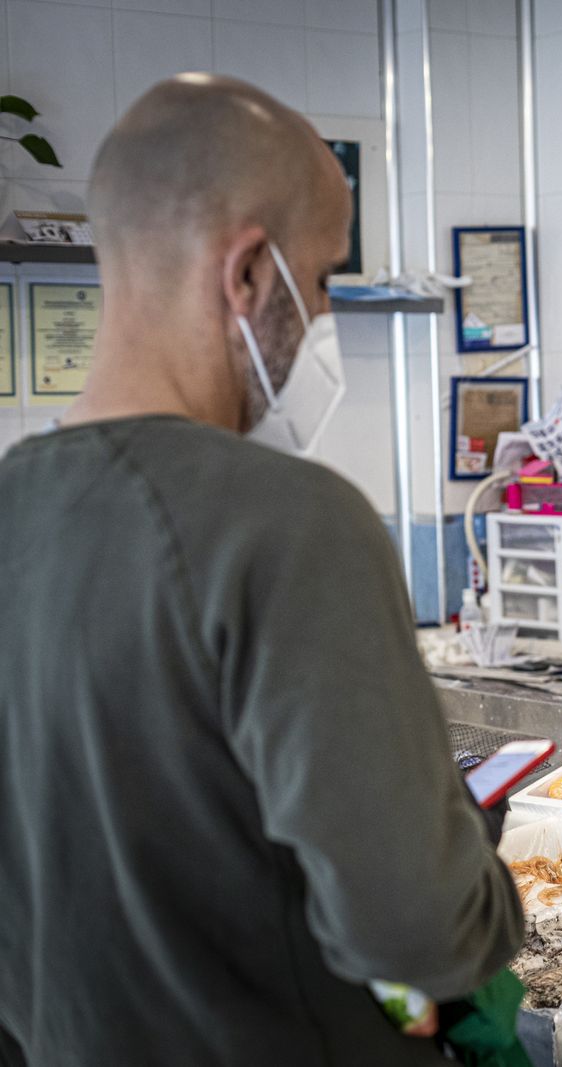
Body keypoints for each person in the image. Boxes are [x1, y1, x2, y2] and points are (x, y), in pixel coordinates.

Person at [0, 76, 522, 1065]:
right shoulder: (291, 521)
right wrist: (471, 865)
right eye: (322, 278)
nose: (321, 314)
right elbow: (416, 926)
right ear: (246, 273)